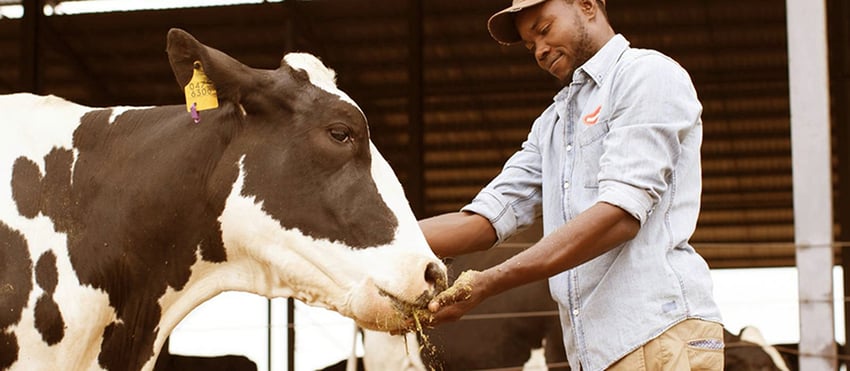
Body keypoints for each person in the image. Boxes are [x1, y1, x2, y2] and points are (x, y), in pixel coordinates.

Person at [420, 0, 724, 370]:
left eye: (544, 30)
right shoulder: (552, 124)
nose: (540, 50)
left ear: (587, 5)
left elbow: (619, 216)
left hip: (658, 337)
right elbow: (488, 217)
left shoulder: (646, 75)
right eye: (530, 46)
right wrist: (376, 242)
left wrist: (489, 282)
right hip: (595, 355)